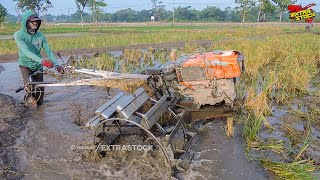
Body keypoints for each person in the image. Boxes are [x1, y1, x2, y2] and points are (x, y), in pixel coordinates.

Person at [14, 10, 63, 107]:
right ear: (26, 22)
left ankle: (40, 108)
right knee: (29, 86)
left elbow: (48, 51)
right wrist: (43, 61)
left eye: (37, 21)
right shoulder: (18, 35)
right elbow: (26, 52)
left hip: (37, 65)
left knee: (40, 88)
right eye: (33, 21)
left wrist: (57, 65)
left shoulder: (41, 36)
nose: (35, 23)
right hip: (25, 64)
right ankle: (29, 104)